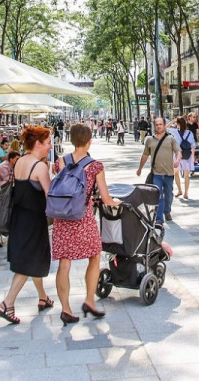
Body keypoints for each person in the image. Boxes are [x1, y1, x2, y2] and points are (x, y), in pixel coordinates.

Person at [53, 124, 120, 325]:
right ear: (89, 140)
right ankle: (89, 300)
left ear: (72, 140)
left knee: (64, 263)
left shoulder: (59, 162)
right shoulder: (95, 166)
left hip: (62, 218)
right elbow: (106, 198)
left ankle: (65, 308)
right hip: (83, 217)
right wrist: (117, 203)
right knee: (94, 256)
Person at [0, 126, 55, 325]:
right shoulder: (39, 167)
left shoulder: (20, 161)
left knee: (32, 260)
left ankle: (43, 297)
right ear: (38, 143)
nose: (50, 146)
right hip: (33, 221)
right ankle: (7, 303)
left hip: (19, 218)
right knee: (27, 263)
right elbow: (51, 197)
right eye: (47, 142)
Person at [136, 117, 181, 222]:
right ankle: (159, 219)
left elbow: (178, 151)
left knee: (169, 195)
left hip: (169, 174)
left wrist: (178, 160)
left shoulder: (171, 139)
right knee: (159, 196)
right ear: (154, 126)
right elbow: (145, 156)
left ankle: (167, 211)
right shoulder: (149, 140)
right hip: (156, 174)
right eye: (157, 125)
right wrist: (140, 169)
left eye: (161, 124)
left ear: (164, 125)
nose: (159, 126)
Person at [169, 116, 195, 200]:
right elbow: (193, 146)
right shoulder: (190, 133)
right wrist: (193, 157)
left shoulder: (175, 132)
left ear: (178, 124)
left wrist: (173, 120)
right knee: (186, 175)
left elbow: (165, 127)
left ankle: (180, 190)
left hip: (177, 156)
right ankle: (186, 193)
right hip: (187, 156)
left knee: (176, 173)